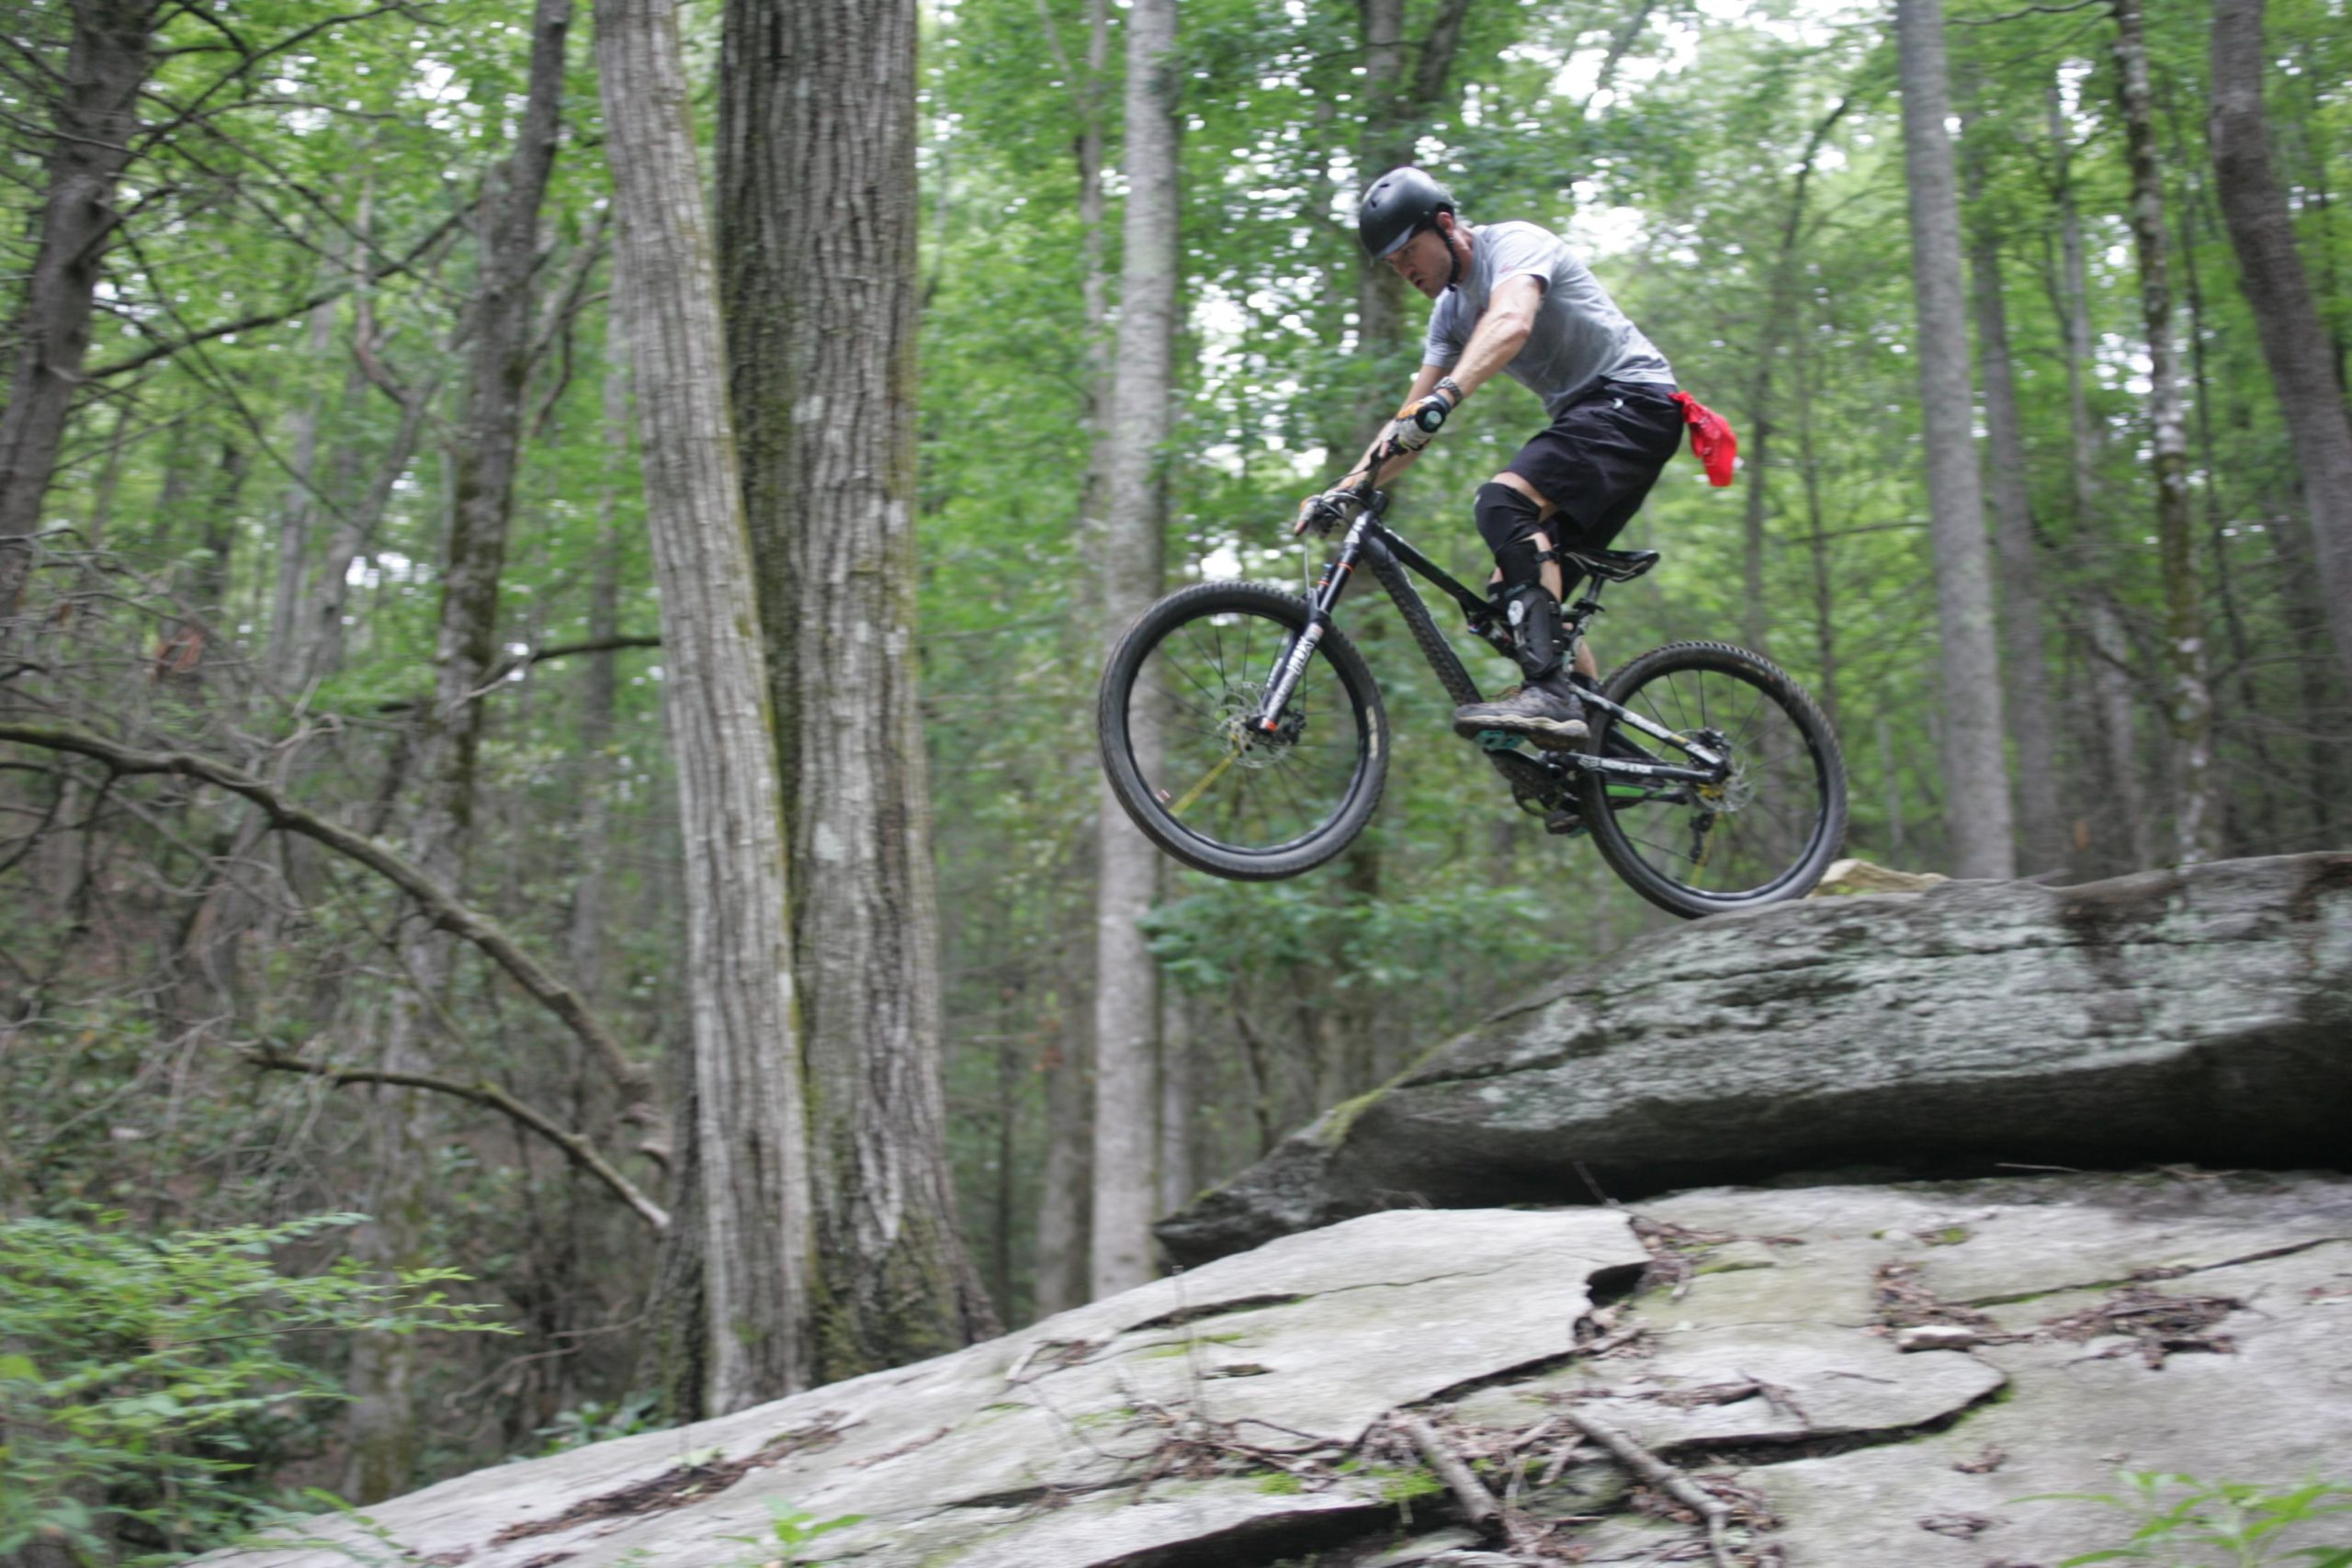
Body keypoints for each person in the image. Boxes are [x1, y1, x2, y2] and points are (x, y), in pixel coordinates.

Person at [1298, 166, 1706, 747]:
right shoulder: (1448, 316)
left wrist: (1447, 395)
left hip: (1634, 400)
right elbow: (1410, 423)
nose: (1405, 269)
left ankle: (1550, 694)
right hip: (1595, 421)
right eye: (1392, 264)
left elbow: (1511, 321)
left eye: (1409, 251)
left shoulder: (1515, 244)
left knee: (1501, 502)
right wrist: (1348, 486)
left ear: (1446, 226)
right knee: (1512, 601)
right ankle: (1596, 758)